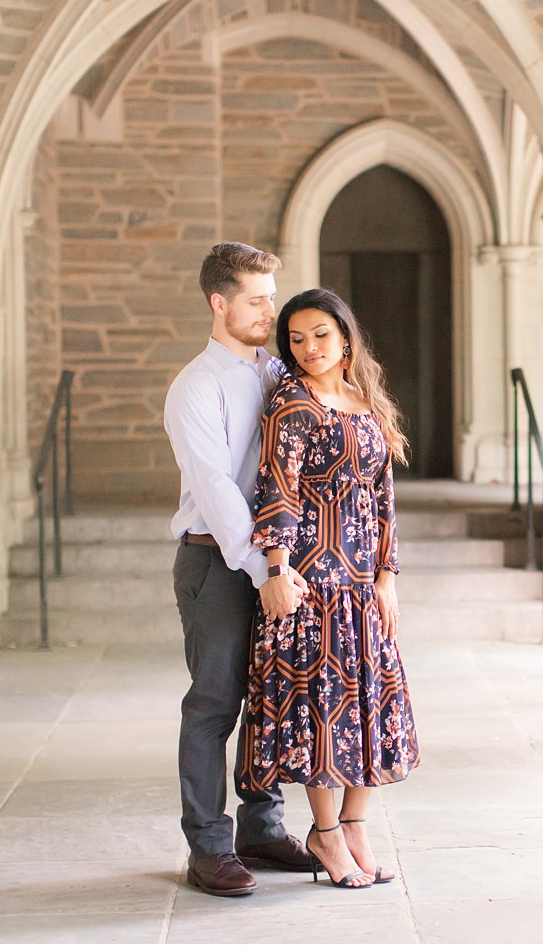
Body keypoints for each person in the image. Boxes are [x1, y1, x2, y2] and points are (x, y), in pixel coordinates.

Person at [235, 287, 421, 890]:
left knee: (371, 705)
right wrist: (277, 569)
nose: (308, 348)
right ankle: (325, 834)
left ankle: (356, 823)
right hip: (314, 583)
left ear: (345, 339)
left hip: (365, 584)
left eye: (320, 335)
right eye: (295, 339)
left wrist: (388, 578)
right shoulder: (290, 404)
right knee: (323, 712)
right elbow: (278, 490)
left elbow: (383, 498)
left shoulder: (365, 402)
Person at [163, 242, 319, 897]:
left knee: (270, 700)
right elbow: (222, 494)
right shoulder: (195, 387)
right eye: (256, 298)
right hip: (216, 562)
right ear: (218, 302)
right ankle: (208, 845)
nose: (269, 309)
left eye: (270, 296)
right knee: (215, 703)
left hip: (275, 561)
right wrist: (265, 570)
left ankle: (261, 826)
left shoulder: (275, 370)